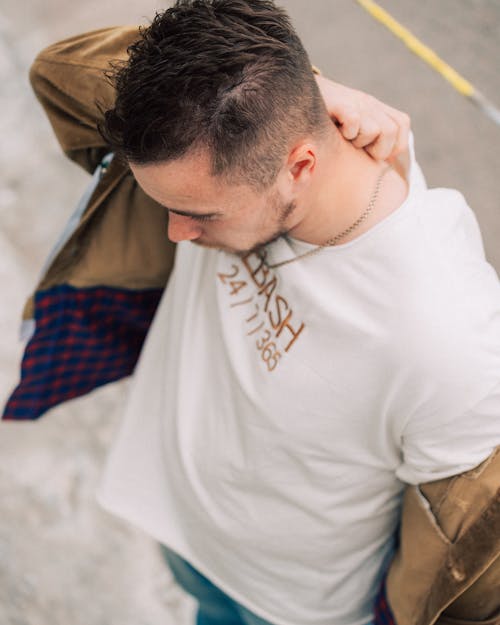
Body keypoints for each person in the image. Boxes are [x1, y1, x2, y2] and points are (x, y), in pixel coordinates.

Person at [3, 2, 499, 625]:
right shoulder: (238, 148)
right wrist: (310, 86)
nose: (176, 233)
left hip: (288, 605)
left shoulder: (448, 337)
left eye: (202, 214)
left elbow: (463, 562)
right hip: (176, 523)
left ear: (300, 166)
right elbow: (59, 74)